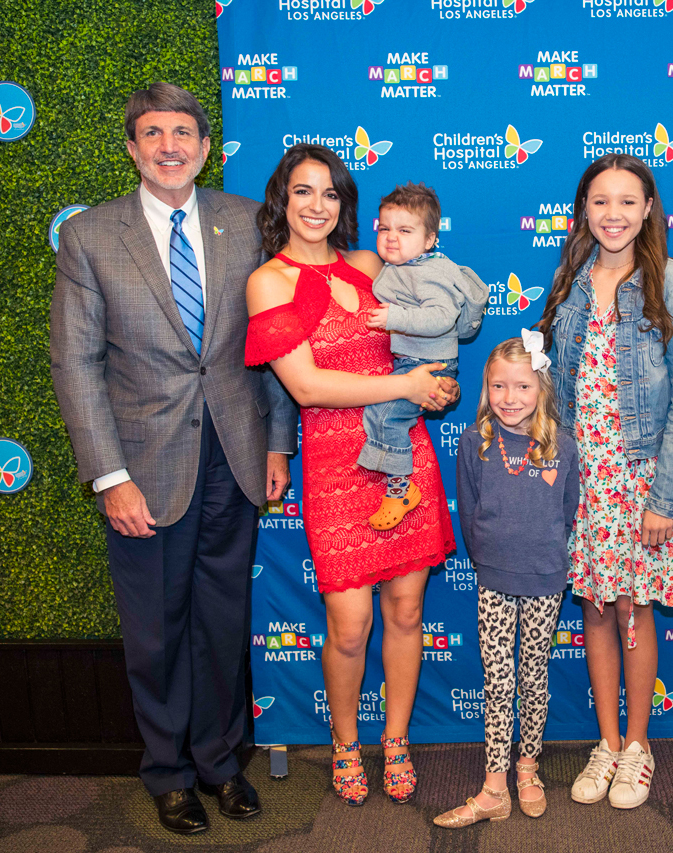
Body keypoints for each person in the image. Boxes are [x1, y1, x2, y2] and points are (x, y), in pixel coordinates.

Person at [49, 82, 296, 834]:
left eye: (182, 132)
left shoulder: (245, 222)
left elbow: (275, 340)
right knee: (156, 629)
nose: (168, 146)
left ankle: (221, 761)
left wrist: (279, 441)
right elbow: (76, 364)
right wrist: (110, 476)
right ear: (132, 148)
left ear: (204, 146)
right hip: (143, 469)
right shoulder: (91, 236)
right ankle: (168, 772)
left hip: (236, 455)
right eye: (152, 133)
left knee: (222, 620)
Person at [243, 144, 458, 807]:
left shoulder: (372, 263)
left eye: (330, 193)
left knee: (408, 608)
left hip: (404, 456)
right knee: (349, 624)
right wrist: (409, 382)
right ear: (283, 200)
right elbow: (306, 386)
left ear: (345, 205)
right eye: (303, 192)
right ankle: (344, 741)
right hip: (337, 465)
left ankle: (395, 740)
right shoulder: (267, 282)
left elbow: (443, 316)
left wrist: (436, 383)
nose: (316, 206)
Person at [537, 153, 673, 810]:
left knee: (635, 611)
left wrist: (665, 496)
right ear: (584, 211)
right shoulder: (570, 280)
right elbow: (558, 388)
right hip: (586, 481)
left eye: (628, 201)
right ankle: (605, 743)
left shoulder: (672, 281)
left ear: (650, 210)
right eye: (600, 202)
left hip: (641, 482)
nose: (613, 214)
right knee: (597, 612)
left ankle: (637, 747)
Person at [434, 333, 580, 828]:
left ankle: (528, 768)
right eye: (499, 386)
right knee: (498, 680)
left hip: (544, 578)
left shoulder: (562, 445)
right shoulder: (475, 442)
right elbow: (468, 507)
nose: (510, 399)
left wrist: (547, 559)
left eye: (521, 387)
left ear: (539, 389)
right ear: (487, 388)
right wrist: (486, 558)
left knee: (533, 676)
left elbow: (567, 513)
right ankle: (494, 786)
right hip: (493, 578)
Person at [360, 182, 488, 530]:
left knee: (384, 415)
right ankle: (397, 481)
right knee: (384, 414)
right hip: (413, 362)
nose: (390, 237)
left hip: (429, 365)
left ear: (430, 239)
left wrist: (394, 318)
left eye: (404, 230)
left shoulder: (430, 273)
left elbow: (441, 318)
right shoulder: (405, 267)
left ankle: (400, 488)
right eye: (384, 228)